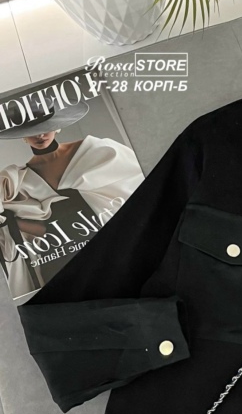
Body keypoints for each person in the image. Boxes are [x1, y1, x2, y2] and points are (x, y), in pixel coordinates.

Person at [0, 96, 143, 298]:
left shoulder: (96, 152)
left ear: (57, 127)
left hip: (106, 251)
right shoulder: (17, 181)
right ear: (22, 137)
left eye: (45, 127)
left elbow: (137, 193)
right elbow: (40, 229)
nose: (40, 135)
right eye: (31, 131)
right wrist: (11, 223)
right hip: (59, 264)